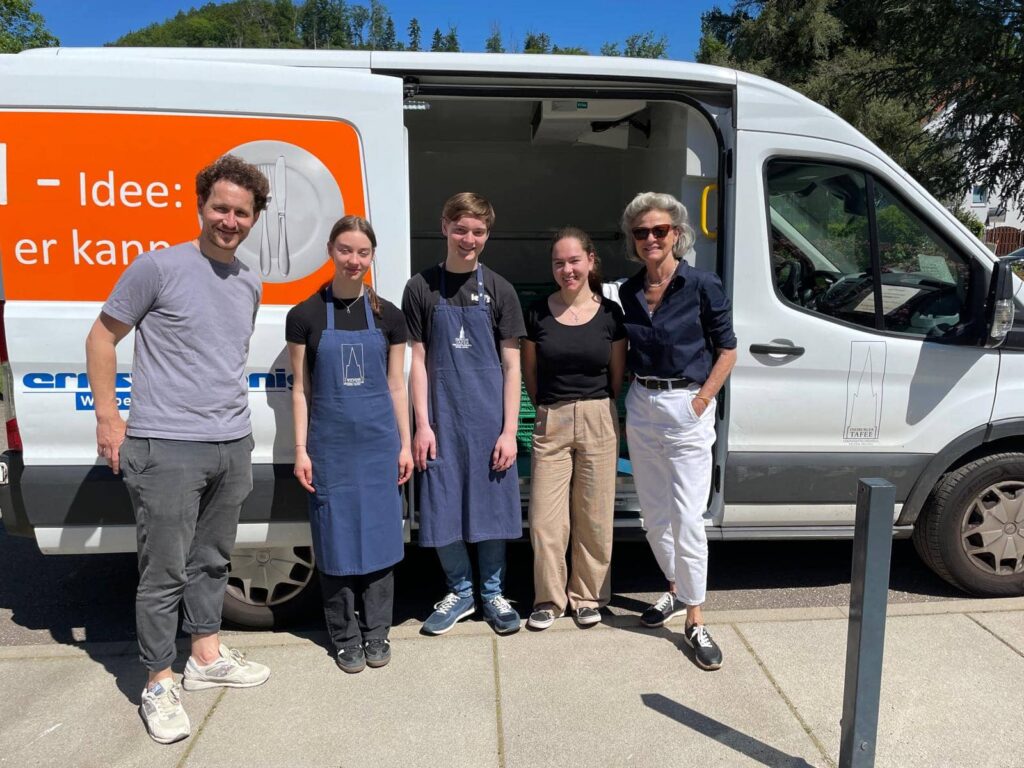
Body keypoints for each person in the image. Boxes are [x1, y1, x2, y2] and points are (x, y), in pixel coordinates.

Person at [85, 155, 271, 744]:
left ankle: (206, 656)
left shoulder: (248, 280)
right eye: (220, 207)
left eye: (242, 212)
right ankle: (158, 680)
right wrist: (109, 419)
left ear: (254, 218)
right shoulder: (158, 267)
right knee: (163, 571)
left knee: (213, 559)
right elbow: (102, 336)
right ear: (200, 206)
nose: (230, 220)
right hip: (166, 444)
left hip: (230, 441)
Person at [287, 216, 412, 674]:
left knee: (380, 541)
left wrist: (404, 443)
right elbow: (300, 390)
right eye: (345, 250)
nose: (353, 260)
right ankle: (344, 637)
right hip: (330, 448)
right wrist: (301, 450)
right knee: (335, 544)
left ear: (372, 256)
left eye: (362, 252)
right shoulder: (303, 316)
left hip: (380, 445)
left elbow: (397, 386)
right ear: (331, 251)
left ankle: (378, 632)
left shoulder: (389, 317)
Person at [618, 192, 737, 671]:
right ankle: (672, 587)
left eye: (659, 230)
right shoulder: (628, 291)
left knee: (688, 517)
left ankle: (695, 617)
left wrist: (703, 399)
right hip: (643, 403)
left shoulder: (703, 285)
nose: (650, 238)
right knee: (653, 514)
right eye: (641, 232)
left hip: (686, 404)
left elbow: (727, 349)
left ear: (676, 234)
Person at [401, 192, 525, 636]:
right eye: (461, 229)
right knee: (442, 502)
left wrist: (509, 431)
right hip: (441, 420)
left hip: (489, 420)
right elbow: (418, 359)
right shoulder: (420, 288)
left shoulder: (500, 290)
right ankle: (461, 591)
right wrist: (422, 424)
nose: (468, 239)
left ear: (487, 235)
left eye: (477, 231)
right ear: (445, 227)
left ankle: (493, 593)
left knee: (491, 507)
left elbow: (512, 366)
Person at [522, 227, 626, 630]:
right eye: (559, 262)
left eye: (574, 261)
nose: (567, 269)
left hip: (599, 415)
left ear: (590, 261)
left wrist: (596, 406)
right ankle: (549, 598)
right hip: (553, 417)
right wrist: (551, 407)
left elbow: (616, 375)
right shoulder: (537, 313)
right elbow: (531, 375)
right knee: (547, 519)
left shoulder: (611, 314)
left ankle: (588, 596)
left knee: (594, 516)